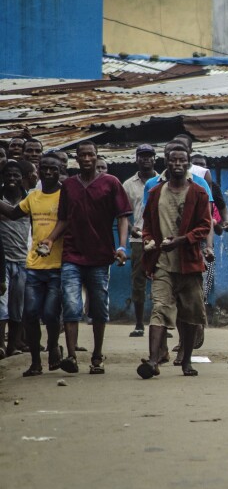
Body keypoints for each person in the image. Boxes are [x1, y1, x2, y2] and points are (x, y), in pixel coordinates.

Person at [41, 141, 132, 374]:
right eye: (82, 155)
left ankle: (97, 355)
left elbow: (123, 216)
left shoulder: (111, 183)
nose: (87, 158)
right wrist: (51, 240)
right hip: (71, 254)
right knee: (71, 305)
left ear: (96, 156)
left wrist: (122, 246)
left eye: (91, 154)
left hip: (101, 257)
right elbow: (63, 218)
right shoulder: (69, 185)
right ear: (77, 159)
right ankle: (71, 356)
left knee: (99, 308)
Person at [137, 145, 211, 379]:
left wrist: (181, 240)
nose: (177, 164)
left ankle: (186, 360)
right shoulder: (155, 193)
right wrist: (148, 240)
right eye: (173, 161)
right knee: (159, 308)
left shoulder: (198, 193)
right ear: (166, 163)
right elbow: (147, 224)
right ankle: (153, 360)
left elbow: (204, 227)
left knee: (190, 315)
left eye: (182, 161)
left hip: (189, 263)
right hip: (162, 263)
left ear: (188, 164)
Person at [1, 155, 61, 376]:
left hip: (58, 264)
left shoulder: (66, 195)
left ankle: (54, 346)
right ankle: (35, 362)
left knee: (51, 314)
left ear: (60, 170)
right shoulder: (33, 197)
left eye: (52, 169)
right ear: (36, 172)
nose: (47, 172)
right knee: (30, 314)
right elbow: (14, 213)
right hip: (34, 264)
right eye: (43, 168)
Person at [122, 144, 158, 338]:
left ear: (155, 158)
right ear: (136, 159)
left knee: (161, 280)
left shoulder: (163, 181)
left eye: (149, 156)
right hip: (137, 240)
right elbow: (123, 213)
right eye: (142, 156)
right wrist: (131, 227)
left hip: (160, 238)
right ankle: (139, 324)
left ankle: (160, 324)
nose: (146, 159)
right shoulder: (128, 185)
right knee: (138, 281)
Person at [0, 161, 30, 356]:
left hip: (23, 260)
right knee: (1, 304)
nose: (12, 179)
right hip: (2, 261)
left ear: (22, 179)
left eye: (16, 175)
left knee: (17, 305)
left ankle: (13, 345)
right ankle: (1, 345)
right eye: (8, 175)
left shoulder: (29, 201)